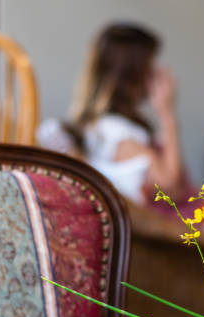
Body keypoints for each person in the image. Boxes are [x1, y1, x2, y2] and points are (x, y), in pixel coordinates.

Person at [63, 23, 185, 205]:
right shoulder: (115, 132)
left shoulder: (104, 127)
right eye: (150, 65)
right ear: (133, 73)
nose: (156, 72)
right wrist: (167, 114)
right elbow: (171, 189)